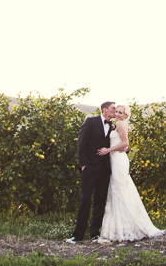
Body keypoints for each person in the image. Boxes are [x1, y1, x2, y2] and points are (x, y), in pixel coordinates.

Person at [97, 104, 164, 241]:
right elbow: (125, 144)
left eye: (120, 112)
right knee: (117, 190)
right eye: (116, 111)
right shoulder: (117, 125)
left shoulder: (121, 124)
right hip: (115, 160)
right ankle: (119, 227)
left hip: (118, 161)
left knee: (119, 191)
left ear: (126, 115)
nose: (117, 114)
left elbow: (125, 142)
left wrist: (107, 150)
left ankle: (126, 228)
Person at [66, 101, 116, 244]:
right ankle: (78, 236)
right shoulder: (90, 122)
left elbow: (119, 143)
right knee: (85, 200)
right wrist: (83, 165)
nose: (115, 111)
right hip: (90, 168)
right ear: (104, 110)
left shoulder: (114, 126)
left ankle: (95, 234)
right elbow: (81, 143)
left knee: (100, 202)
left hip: (105, 170)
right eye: (113, 108)